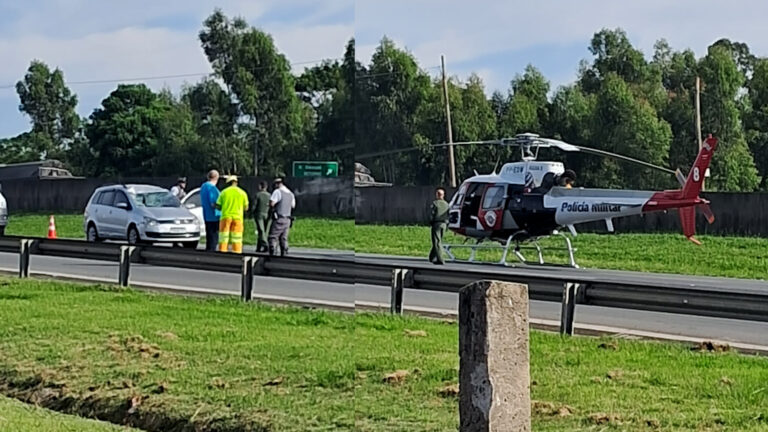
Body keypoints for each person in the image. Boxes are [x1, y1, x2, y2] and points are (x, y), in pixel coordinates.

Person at [215, 175, 249, 253]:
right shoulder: (242, 193)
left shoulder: (224, 192)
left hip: (225, 216)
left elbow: (218, 206)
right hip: (238, 217)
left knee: (224, 236)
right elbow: (246, 207)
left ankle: (223, 251)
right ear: (236, 182)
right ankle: (237, 252)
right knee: (237, 237)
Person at [268, 177, 295, 256]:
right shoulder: (290, 194)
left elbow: (272, 203)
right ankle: (284, 253)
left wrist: (271, 207)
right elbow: (293, 206)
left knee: (273, 236)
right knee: (283, 238)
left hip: (279, 218)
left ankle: (272, 254)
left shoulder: (277, 192)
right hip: (288, 219)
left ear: (277, 184)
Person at [200, 170, 221, 252]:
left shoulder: (203, 186)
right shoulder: (212, 188)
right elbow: (213, 203)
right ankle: (212, 255)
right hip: (214, 216)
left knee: (209, 237)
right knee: (213, 238)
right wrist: (222, 208)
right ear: (216, 178)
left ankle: (208, 254)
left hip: (206, 215)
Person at [428, 187, 450, 265]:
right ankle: (431, 257)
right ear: (443, 195)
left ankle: (440, 259)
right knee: (439, 240)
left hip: (436, 224)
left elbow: (432, 214)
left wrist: (430, 222)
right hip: (444, 224)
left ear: (437, 195)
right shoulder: (447, 204)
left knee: (437, 242)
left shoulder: (435, 203)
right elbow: (448, 214)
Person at [253, 181, 272, 252]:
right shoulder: (269, 195)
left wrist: (252, 212)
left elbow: (254, 206)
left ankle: (266, 244)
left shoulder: (258, 195)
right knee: (264, 231)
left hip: (259, 214)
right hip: (267, 214)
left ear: (261, 186)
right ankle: (259, 247)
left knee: (261, 231)